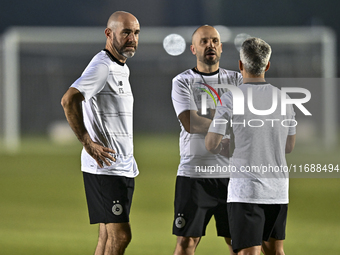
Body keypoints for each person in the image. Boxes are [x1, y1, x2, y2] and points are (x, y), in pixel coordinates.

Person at [205, 37, 296, 255]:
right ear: (267, 65)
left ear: (240, 65)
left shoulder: (231, 98)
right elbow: (289, 146)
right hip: (278, 190)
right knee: (276, 251)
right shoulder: (284, 99)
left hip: (247, 191)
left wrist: (227, 146)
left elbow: (211, 144)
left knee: (248, 252)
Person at [61, 11, 140, 255]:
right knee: (121, 236)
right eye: (126, 32)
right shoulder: (102, 65)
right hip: (105, 167)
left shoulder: (120, 67)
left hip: (120, 165)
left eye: (136, 33)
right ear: (109, 33)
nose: (132, 38)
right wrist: (87, 142)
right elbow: (69, 100)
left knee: (107, 236)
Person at [171, 25, 242, 255]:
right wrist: (225, 123)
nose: (210, 45)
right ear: (193, 48)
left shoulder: (238, 80)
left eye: (214, 41)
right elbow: (190, 123)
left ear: (220, 47)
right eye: (204, 41)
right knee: (186, 243)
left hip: (232, 177)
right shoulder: (182, 81)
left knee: (239, 242)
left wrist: (209, 121)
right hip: (194, 175)